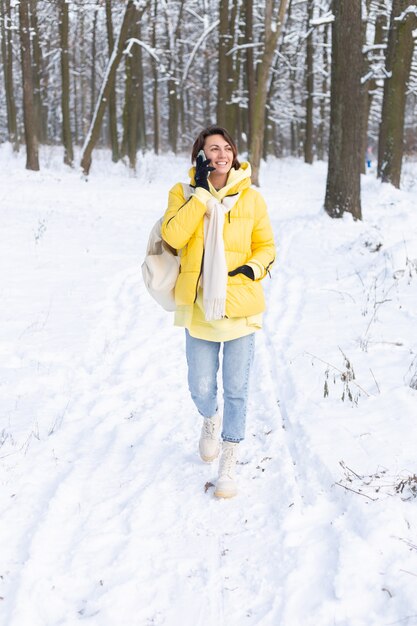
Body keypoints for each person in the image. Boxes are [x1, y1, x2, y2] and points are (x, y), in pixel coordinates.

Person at [161, 125, 275, 499]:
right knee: (201, 385)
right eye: (213, 149)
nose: (222, 154)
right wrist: (199, 194)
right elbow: (173, 237)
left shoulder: (251, 197)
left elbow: (266, 246)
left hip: (240, 305)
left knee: (237, 389)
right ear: (200, 155)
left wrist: (252, 269)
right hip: (198, 307)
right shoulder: (182, 193)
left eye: (227, 148)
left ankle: (229, 460)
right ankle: (209, 419)